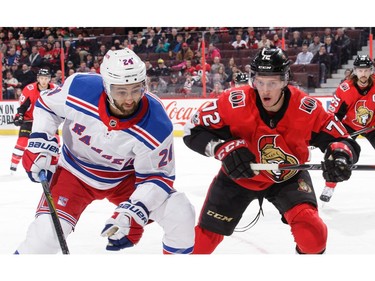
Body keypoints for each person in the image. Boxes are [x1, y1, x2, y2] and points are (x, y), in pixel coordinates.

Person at [15, 48, 195, 254]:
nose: (130, 99)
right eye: (121, 91)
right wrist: (41, 142)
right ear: (107, 87)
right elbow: (47, 105)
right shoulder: (79, 88)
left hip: (125, 179)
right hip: (73, 173)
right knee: (45, 238)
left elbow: (157, 177)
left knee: (180, 214)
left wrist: (134, 212)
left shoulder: (157, 122)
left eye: (136, 89)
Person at [183, 47, 361, 254]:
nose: (265, 90)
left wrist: (339, 156)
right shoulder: (233, 102)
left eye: (273, 82)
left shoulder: (306, 107)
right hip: (239, 176)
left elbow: (342, 139)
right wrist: (224, 149)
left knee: (313, 235)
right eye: (260, 81)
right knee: (201, 243)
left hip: (288, 175)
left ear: (285, 80)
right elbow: (192, 130)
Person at [320, 55, 375, 202]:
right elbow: (334, 115)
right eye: (360, 70)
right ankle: (330, 185)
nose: (363, 74)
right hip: (349, 126)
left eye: (366, 70)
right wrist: (333, 137)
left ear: (371, 71)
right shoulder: (345, 89)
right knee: (337, 153)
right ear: (355, 71)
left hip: (372, 125)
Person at [10, 68, 58, 172]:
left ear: (49, 79)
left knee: (56, 142)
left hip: (47, 120)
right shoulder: (30, 89)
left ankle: (56, 164)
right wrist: (20, 115)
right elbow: (23, 106)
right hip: (30, 119)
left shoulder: (55, 89)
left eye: (46, 78)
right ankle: (13, 165)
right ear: (38, 79)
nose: (44, 81)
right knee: (22, 142)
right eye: (41, 78)